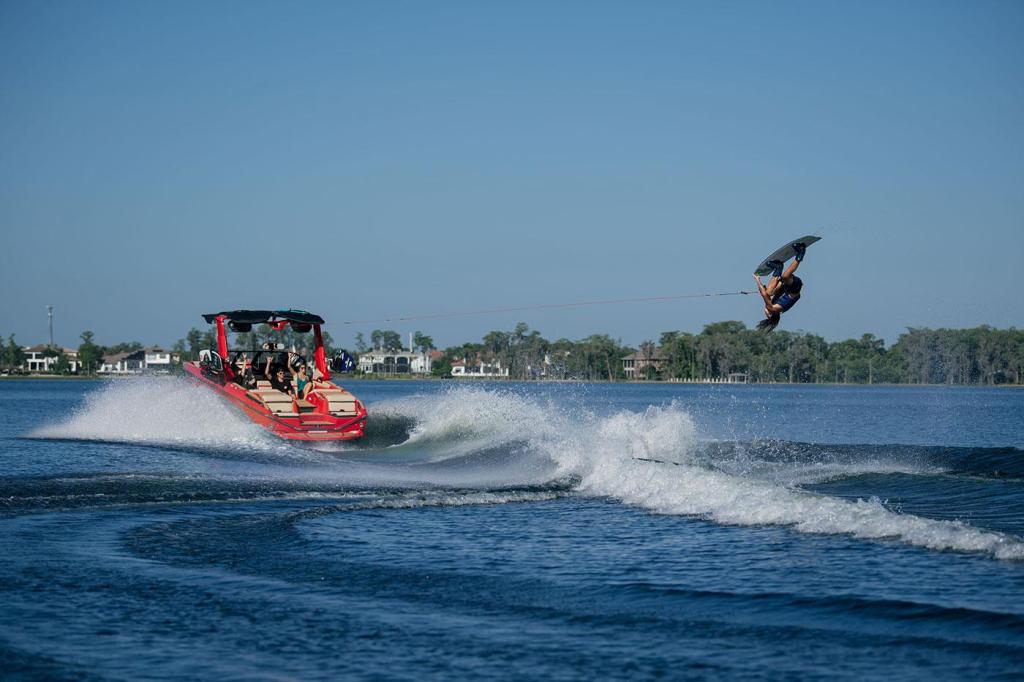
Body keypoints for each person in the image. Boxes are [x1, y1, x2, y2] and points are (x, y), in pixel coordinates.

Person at [753, 242, 806, 332]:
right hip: (795, 287)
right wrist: (757, 280)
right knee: (785, 276)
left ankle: (778, 268)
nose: (765, 313)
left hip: (787, 288)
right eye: (767, 316)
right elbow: (764, 295)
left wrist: (778, 284)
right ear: (770, 315)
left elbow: (770, 293)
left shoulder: (776, 307)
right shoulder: (772, 309)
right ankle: (801, 252)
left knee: (769, 292)